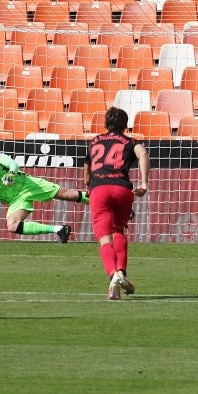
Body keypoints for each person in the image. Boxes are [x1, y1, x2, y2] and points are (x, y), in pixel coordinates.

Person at [84, 107, 150, 300]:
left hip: (100, 191)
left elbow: (86, 174)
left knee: (105, 239)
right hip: (122, 190)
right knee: (119, 231)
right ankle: (119, 280)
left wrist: (91, 184)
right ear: (126, 126)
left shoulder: (94, 141)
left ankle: (114, 275)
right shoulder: (130, 142)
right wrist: (144, 182)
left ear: (106, 125)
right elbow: (143, 154)